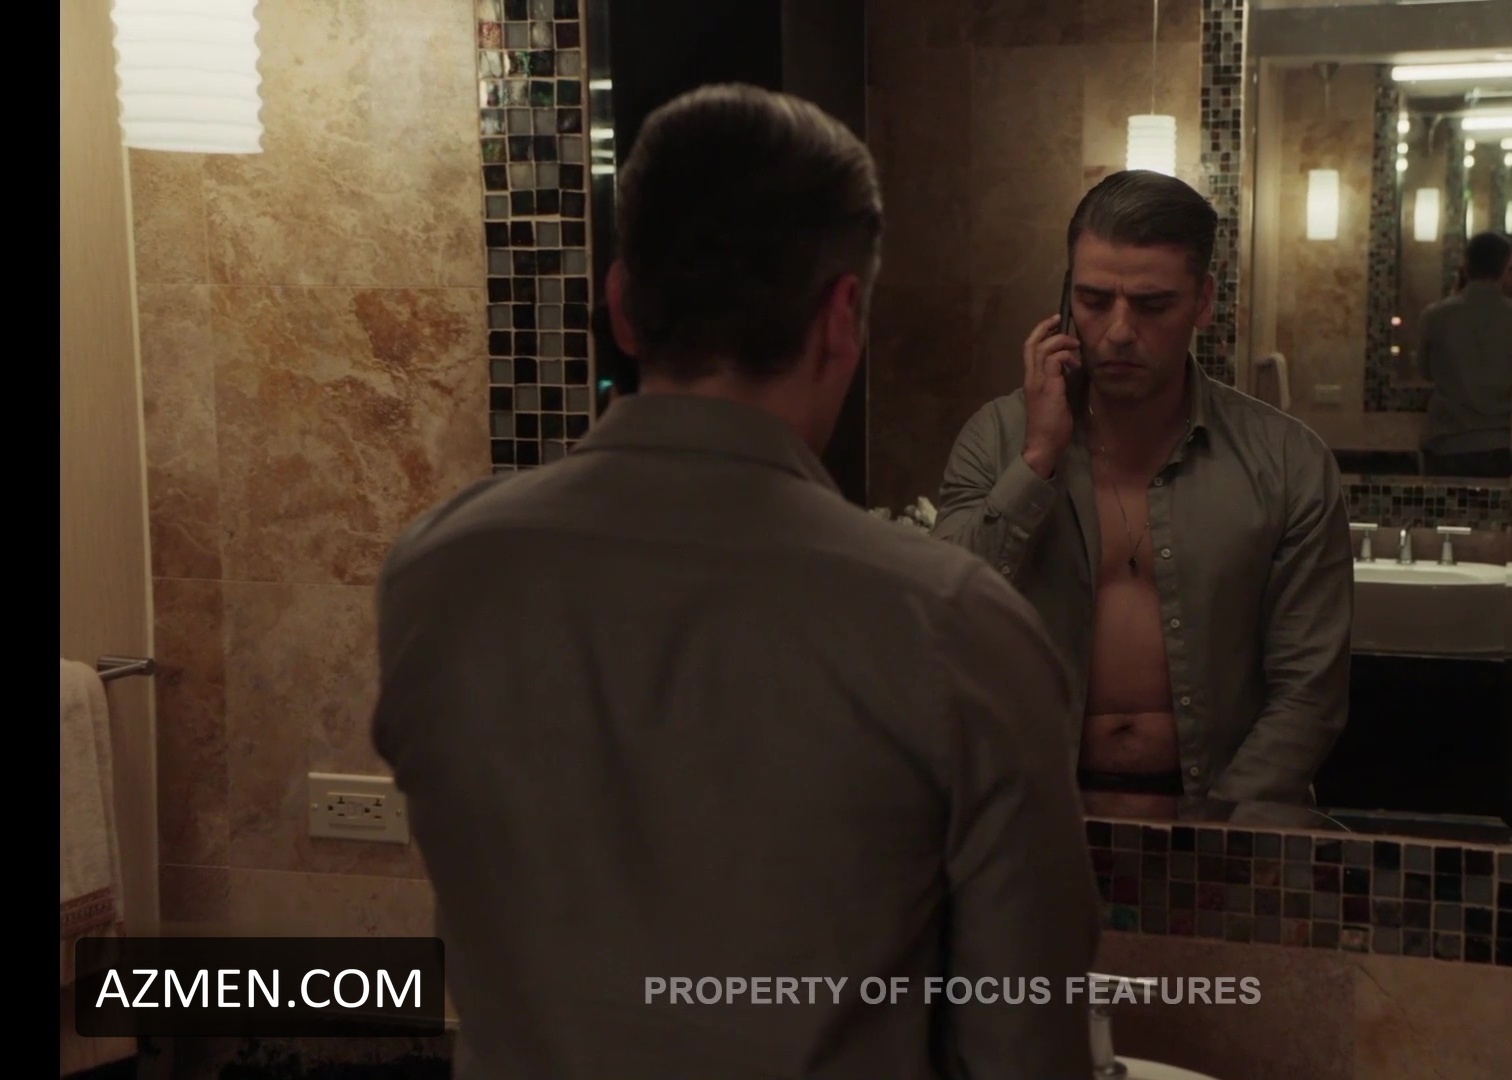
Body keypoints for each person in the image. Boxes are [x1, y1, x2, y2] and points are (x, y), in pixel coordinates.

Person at [371, 84, 1098, 1080]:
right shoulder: (953, 628)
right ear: (842, 317)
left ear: (622, 304)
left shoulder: (436, 575)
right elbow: (1026, 1049)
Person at [931, 170, 1353, 822]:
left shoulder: (1288, 462)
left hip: (1226, 822)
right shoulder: (997, 439)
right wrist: (1037, 461)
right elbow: (941, 621)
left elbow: (1309, 691)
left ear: (1203, 301)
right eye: (1094, 301)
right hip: (1035, 817)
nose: (1119, 331)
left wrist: (1221, 831)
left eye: (1152, 305)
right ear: (1065, 299)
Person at [1418, 232, 1512, 478]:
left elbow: (1425, 372)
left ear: (1465, 265)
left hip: (1446, 441)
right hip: (1499, 441)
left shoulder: (1436, 315)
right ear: (1505, 267)